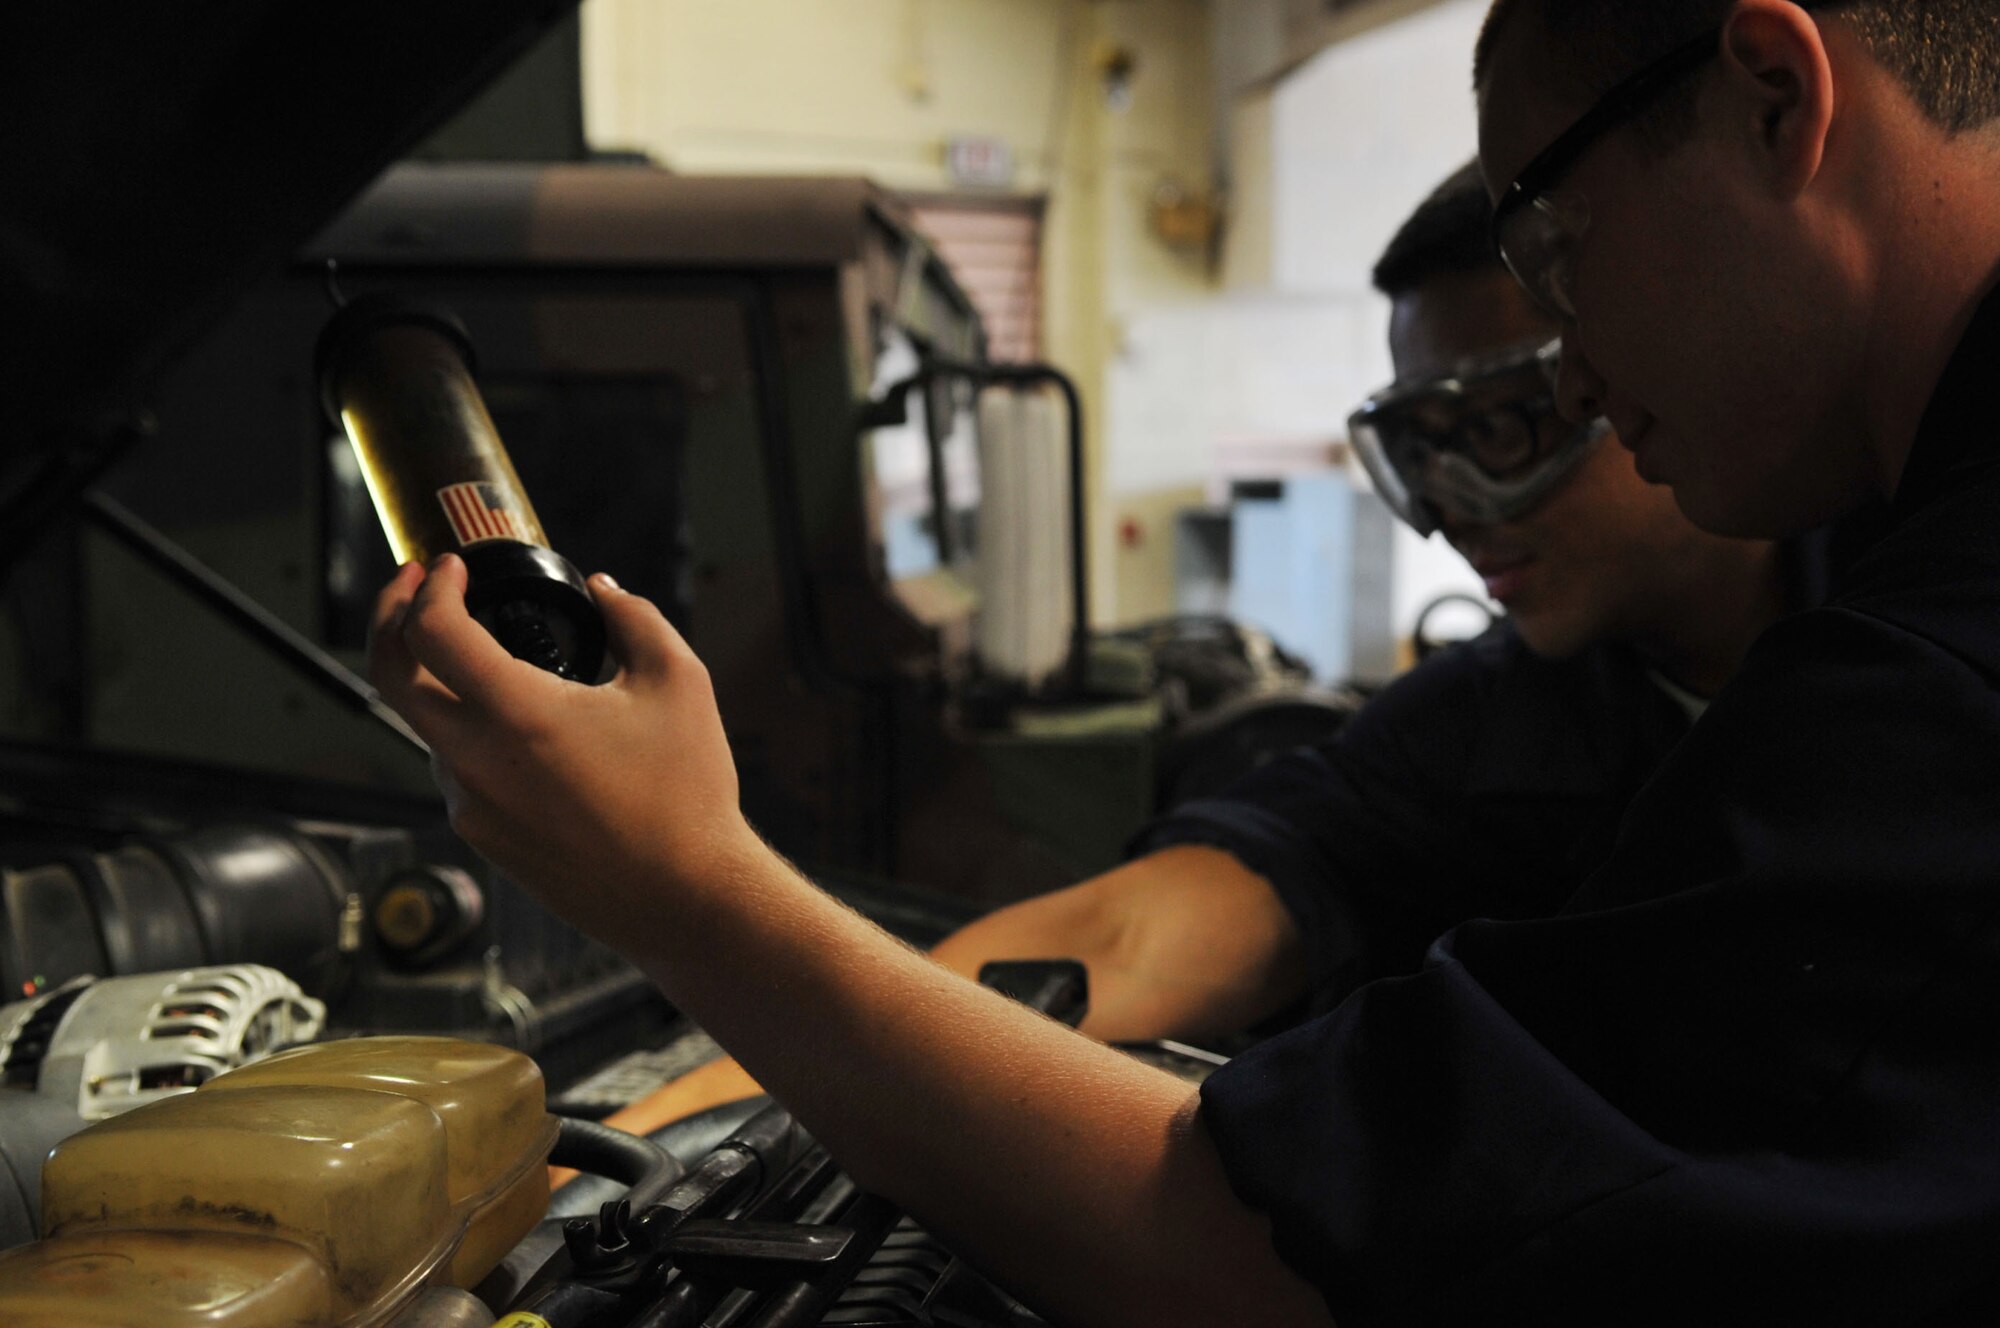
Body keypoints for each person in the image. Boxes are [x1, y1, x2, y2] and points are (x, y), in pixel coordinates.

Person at [371, 2, 2000, 1320]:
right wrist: (682, 1105)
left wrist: (684, 886)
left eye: (1563, 265)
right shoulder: (1566, 693)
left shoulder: (1925, 687)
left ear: (1777, 100)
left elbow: (1309, 1254)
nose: (1580, 371)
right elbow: (1151, 923)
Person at [584, 161, 1810, 1144]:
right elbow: (1125, 939)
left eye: (1499, 426)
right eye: (1418, 451)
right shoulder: (1497, 717)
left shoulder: (1893, 656)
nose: (1452, 509)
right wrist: (676, 1116)